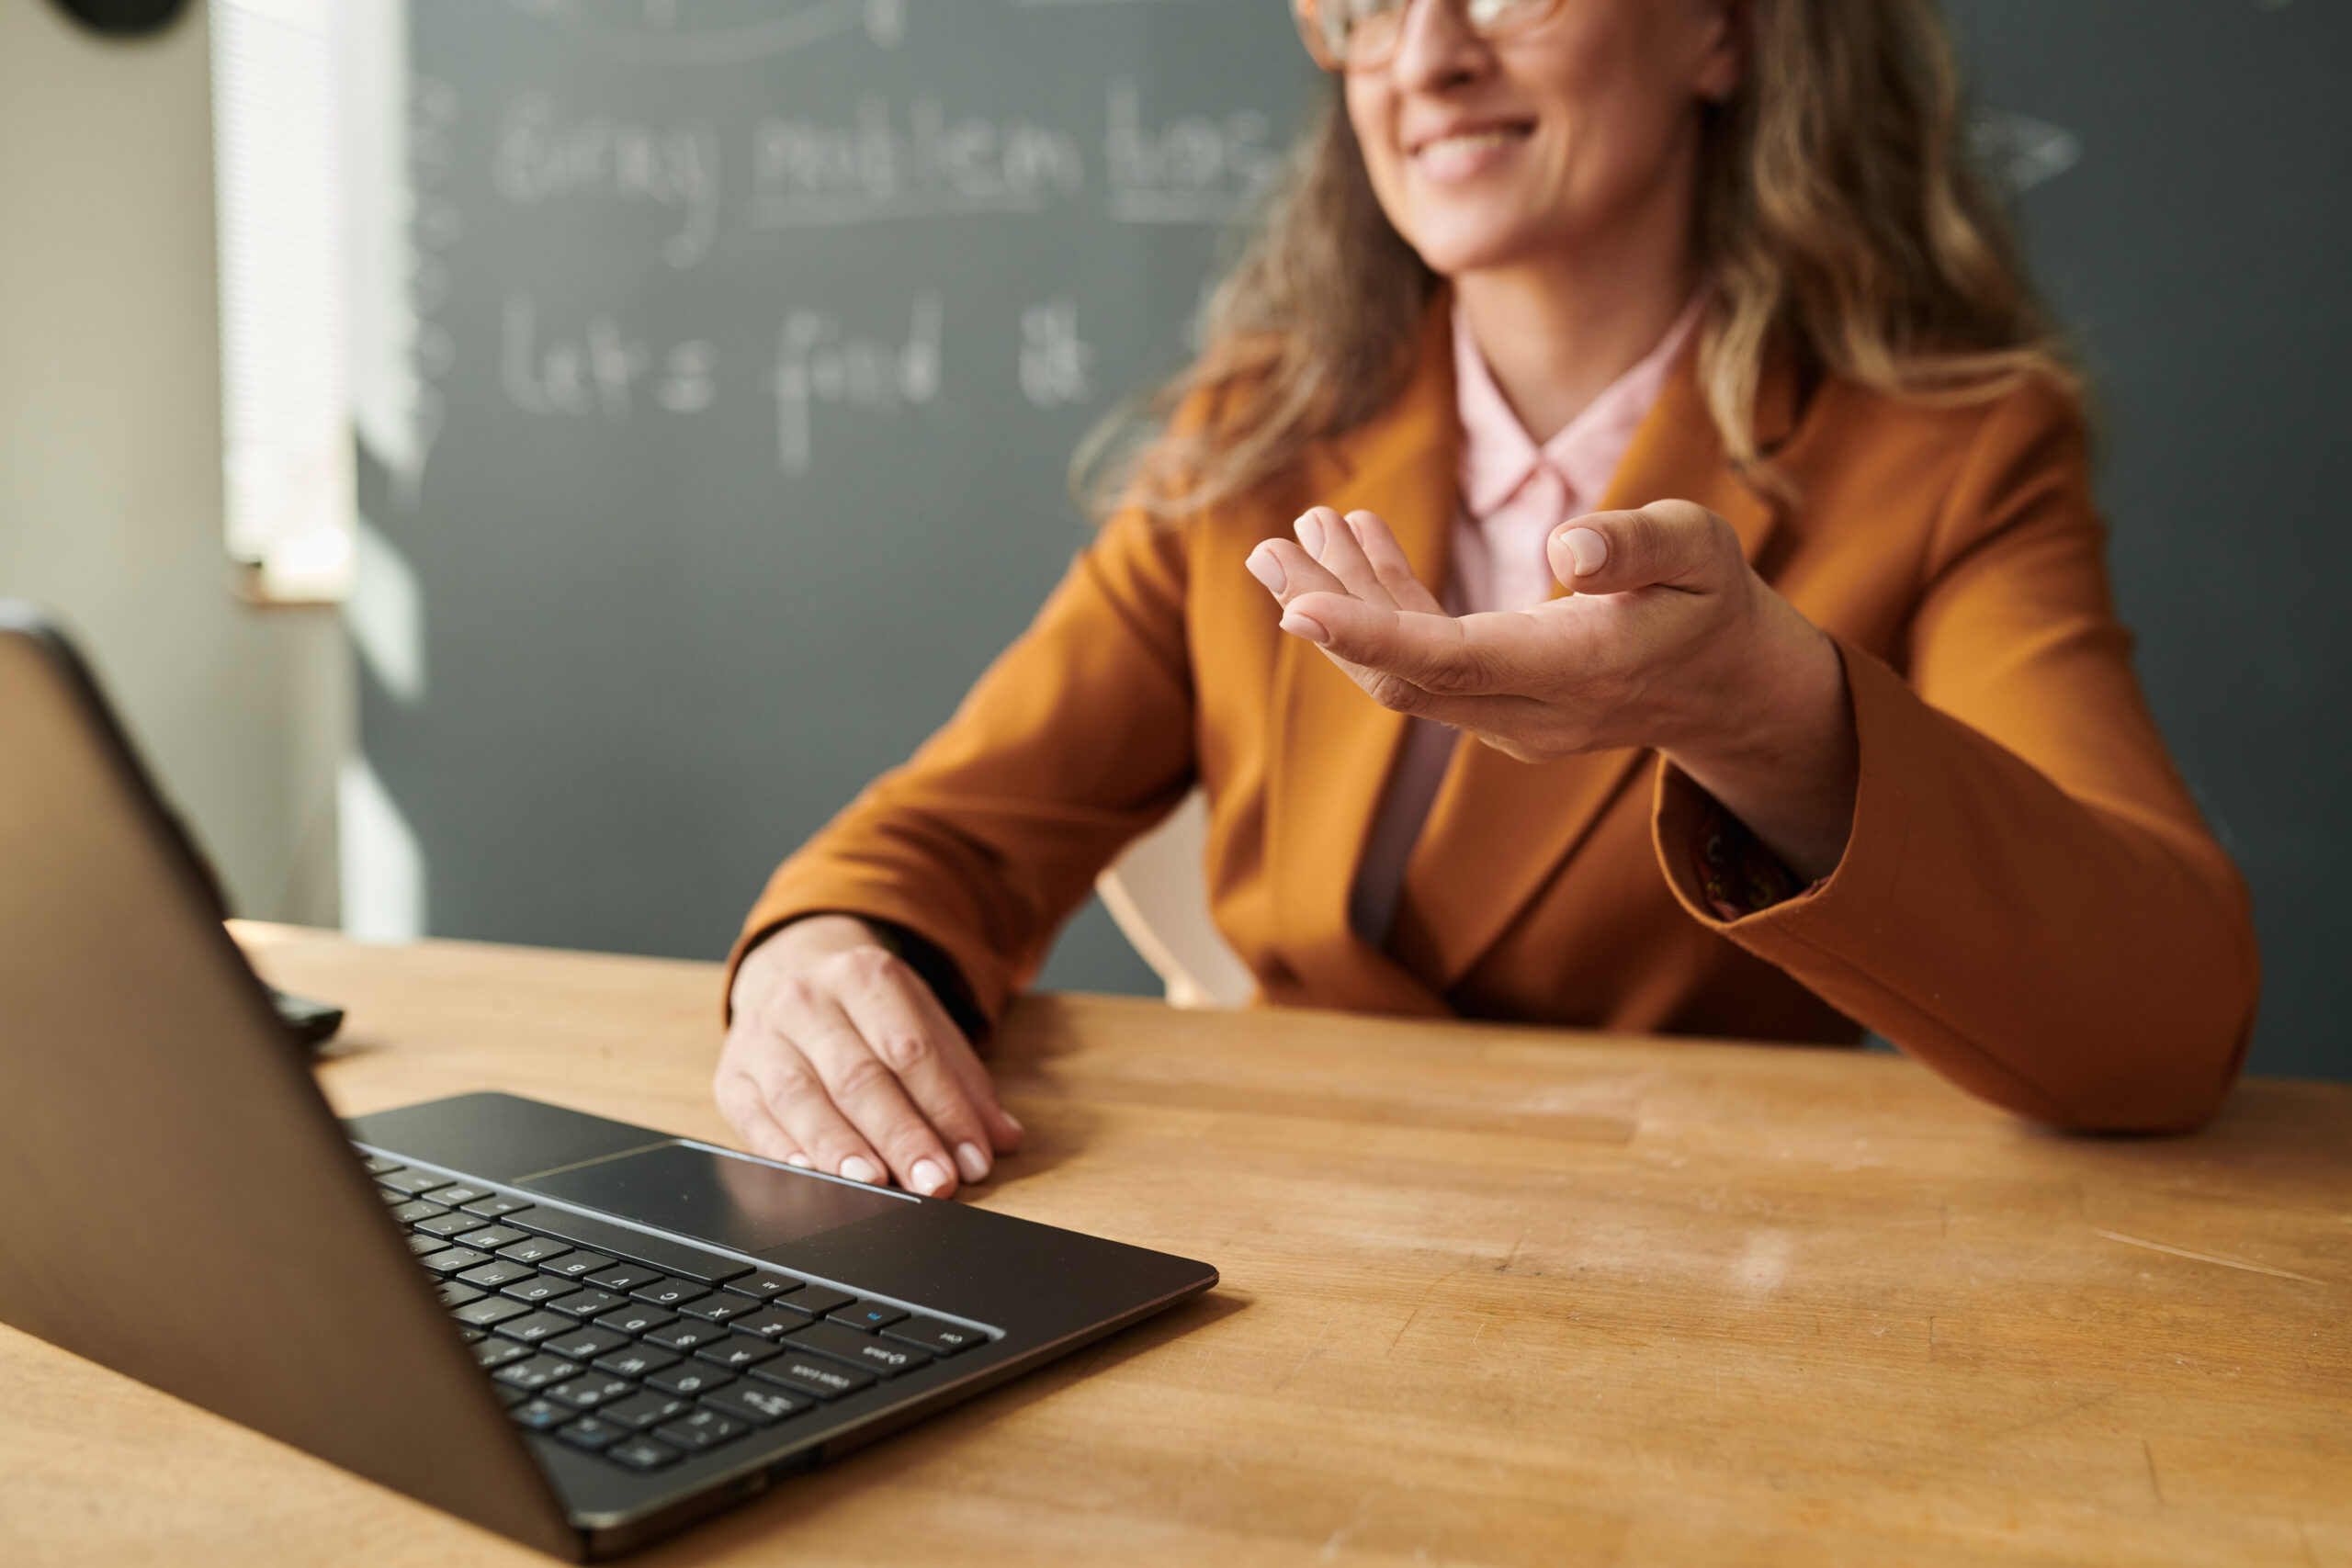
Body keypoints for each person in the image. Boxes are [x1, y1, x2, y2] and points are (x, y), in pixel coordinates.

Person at [716, 0, 2259, 1198]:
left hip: (1698, 1299)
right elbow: (949, 835)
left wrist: (1771, 715)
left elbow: (2164, 1026)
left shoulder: (1952, 455)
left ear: (1720, 30)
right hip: (1265, 1251)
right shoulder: (1258, 434)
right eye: (1368, 2)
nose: (1427, 58)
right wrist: (822, 959)